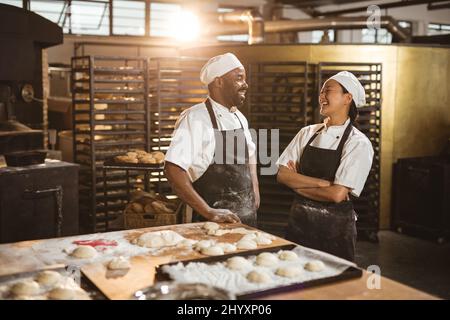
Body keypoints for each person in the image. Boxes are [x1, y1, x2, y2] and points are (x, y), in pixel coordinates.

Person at [276, 71, 374, 261]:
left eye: (327, 90)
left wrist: (297, 184)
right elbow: (282, 175)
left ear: (348, 98)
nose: (321, 96)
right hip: (299, 224)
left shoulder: (357, 143)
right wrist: (323, 184)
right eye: (321, 92)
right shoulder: (307, 133)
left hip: (334, 232)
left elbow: (336, 195)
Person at [164, 53, 259, 226]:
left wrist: (255, 191)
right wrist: (208, 212)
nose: (245, 84)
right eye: (239, 78)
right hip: (208, 222)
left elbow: (249, 155)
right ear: (219, 82)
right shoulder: (196, 118)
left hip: (246, 218)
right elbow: (173, 169)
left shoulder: (239, 117)